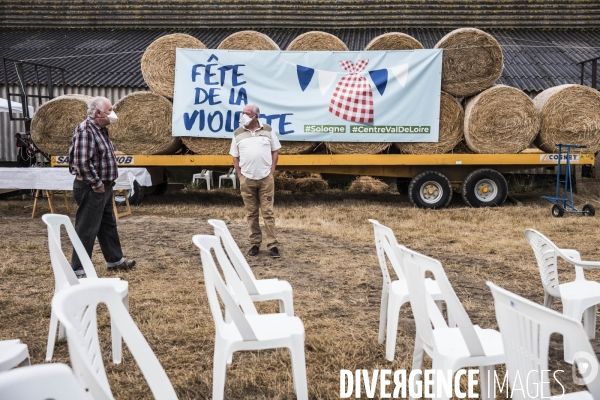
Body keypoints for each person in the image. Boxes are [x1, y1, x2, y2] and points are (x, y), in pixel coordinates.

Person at [68, 96, 136, 278]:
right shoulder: (86, 130)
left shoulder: (100, 130)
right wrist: (97, 184)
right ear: (98, 113)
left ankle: (115, 261)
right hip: (92, 187)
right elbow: (81, 161)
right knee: (87, 228)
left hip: (104, 187)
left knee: (107, 225)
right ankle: (78, 270)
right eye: (109, 110)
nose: (113, 114)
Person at [230, 103, 282, 258]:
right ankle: (254, 244)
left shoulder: (267, 130)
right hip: (247, 178)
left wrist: (272, 170)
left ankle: (272, 245)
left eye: (246, 113)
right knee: (251, 213)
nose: (243, 116)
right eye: (242, 113)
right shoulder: (238, 133)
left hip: (266, 178)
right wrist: (240, 174)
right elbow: (234, 155)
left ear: (255, 116)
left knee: (268, 212)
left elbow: (275, 150)